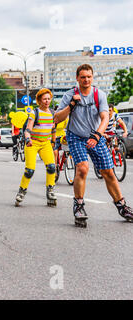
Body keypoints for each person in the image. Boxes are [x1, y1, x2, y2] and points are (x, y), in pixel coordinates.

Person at [54, 64, 133, 227]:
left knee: (108, 172)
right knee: (82, 168)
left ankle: (122, 206)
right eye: (83, 77)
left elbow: (105, 117)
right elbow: (57, 118)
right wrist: (71, 106)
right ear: (77, 78)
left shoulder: (99, 95)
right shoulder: (70, 95)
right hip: (75, 136)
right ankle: (79, 207)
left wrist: (97, 135)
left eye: (89, 76)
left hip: (95, 137)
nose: (86, 80)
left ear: (92, 77)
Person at [15, 88, 57, 207]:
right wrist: (27, 139)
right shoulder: (35, 112)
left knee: (51, 167)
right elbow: (28, 129)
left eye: (49, 99)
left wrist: (53, 143)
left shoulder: (53, 113)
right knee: (30, 170)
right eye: (44, 99)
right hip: (32, 143)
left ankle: (50, 191)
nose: (47, 101)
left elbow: (53, 129)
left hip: (46, 143)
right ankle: (22, 191)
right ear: (39, 100)